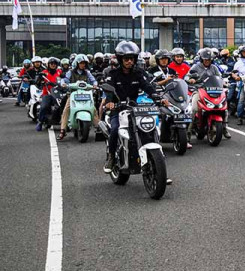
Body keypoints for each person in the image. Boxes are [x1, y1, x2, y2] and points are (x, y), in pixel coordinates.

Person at [102, 41, 169, 173]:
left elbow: (147, 86)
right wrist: (109, 102)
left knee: (149, 128)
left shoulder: (138, 73)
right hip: (118, 108)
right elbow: (109, 90)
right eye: (126, 59)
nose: (129, 62)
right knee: (115, 129)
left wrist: (158, 97)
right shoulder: (113, 74)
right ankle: (111, 158)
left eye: (131, 59)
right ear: (121, 59)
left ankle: (159, 165)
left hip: (134, 107)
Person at [187, 48, 230, 139]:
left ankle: (224, 128)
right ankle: (188, 133)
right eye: (205, 59)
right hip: (199, 90)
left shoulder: (214, 67)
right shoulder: (195, 67)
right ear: (201, 59)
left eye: (209, 59)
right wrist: (190, 79)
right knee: (194, 109)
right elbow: (187, 76)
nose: (207, 61)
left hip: (214, 91)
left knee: (224, 108)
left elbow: (219, 78)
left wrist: (224, 83)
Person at [58, 54, 99, 140]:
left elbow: (93, 80)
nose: (83, 65)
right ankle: (63, 130)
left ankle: (99, 128)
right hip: (73, 94)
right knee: (66, 109)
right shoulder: (70, 72)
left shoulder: (87, 72)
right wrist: (63, 83)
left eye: (84, 63)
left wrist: (95, 84)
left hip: (86, 94)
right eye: (81, 63)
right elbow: (65, 79)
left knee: (93, 109)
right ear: (76, 63)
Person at [37, 57, 64, 131]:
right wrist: (40, 78)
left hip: (58, 93)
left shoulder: (59, 72)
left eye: (54, 63)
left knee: (63, 105)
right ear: (48, 64)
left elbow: (65, 79)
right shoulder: (44, 72)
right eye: (51, 63)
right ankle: (40, 122)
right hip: (47, 93)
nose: (53, 65)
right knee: (44, 106)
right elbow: (38, 82)